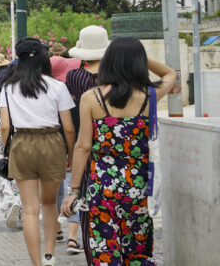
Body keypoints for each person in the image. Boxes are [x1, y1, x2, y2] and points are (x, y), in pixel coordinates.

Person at [60, 36, 174, 265]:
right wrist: (138, 56)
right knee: (137, 253)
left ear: (108, 61)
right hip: (139, 188)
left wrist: (74, 190)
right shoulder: (149, 96)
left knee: (104, 251)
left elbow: (83, 147)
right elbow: (170, 74)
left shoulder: (91, 98)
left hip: (102, 188)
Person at [0, 38, 76, 266]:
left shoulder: (8, 87)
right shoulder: (57, 86)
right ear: (43, 57)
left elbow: (4, 126)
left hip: (22, 142)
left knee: (30, 210)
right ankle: (50, 253)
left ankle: (36, 263)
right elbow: (69, 128)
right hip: (51, 141)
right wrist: (70, 154)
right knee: (49, 203)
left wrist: (8, 150)